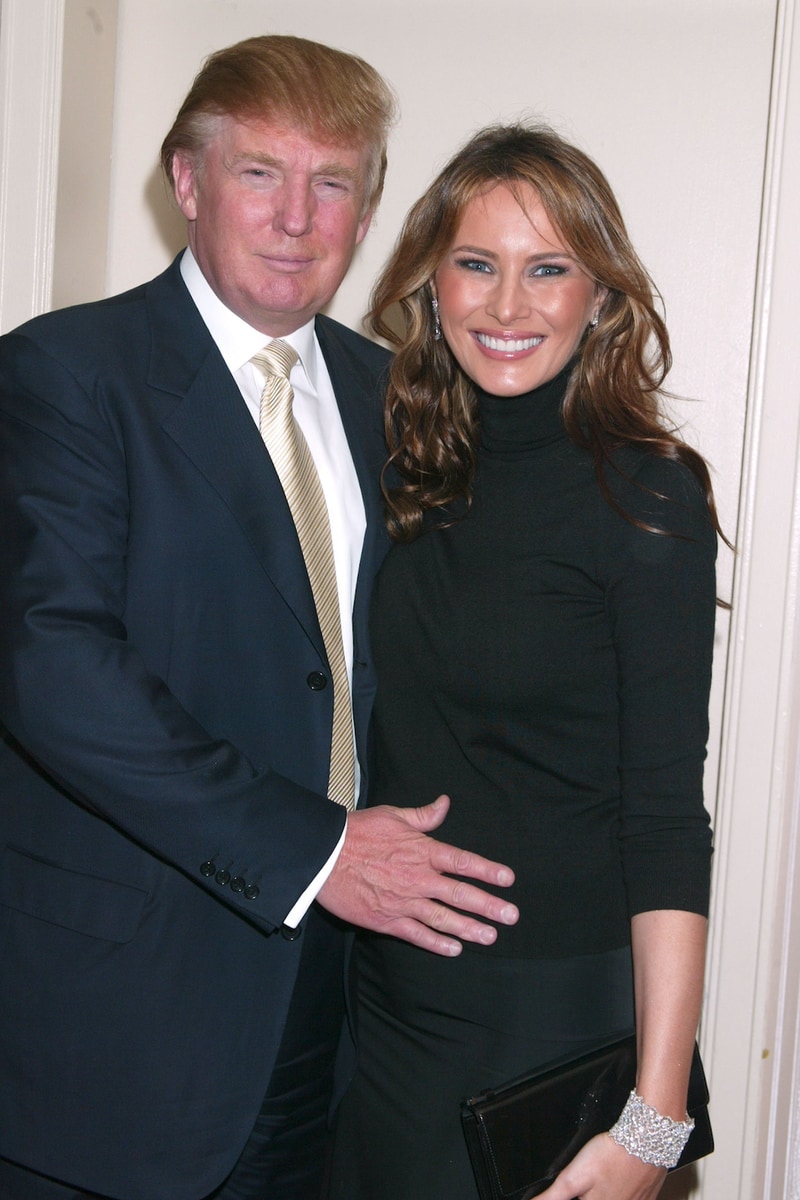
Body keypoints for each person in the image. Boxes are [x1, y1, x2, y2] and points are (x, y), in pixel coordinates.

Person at [0, 37, 519, 1200]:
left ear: (366, 206)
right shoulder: (66, 375)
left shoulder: (398, 398)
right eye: (258, 175)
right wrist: (316, 850)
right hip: (118, 1037)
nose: (296, 218)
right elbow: (54, 667)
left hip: (337, 1029)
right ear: (186, 183)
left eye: (331, 182)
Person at [329, 122, 720, 1200]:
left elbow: (663, 820)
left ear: (599, 295)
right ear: (430, 285)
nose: (507, 307)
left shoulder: (643, 496)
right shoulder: (396, 471)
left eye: (546, 269)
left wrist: (654, 1118)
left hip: (549, 1027)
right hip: (381, 1013)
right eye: (476, 264)